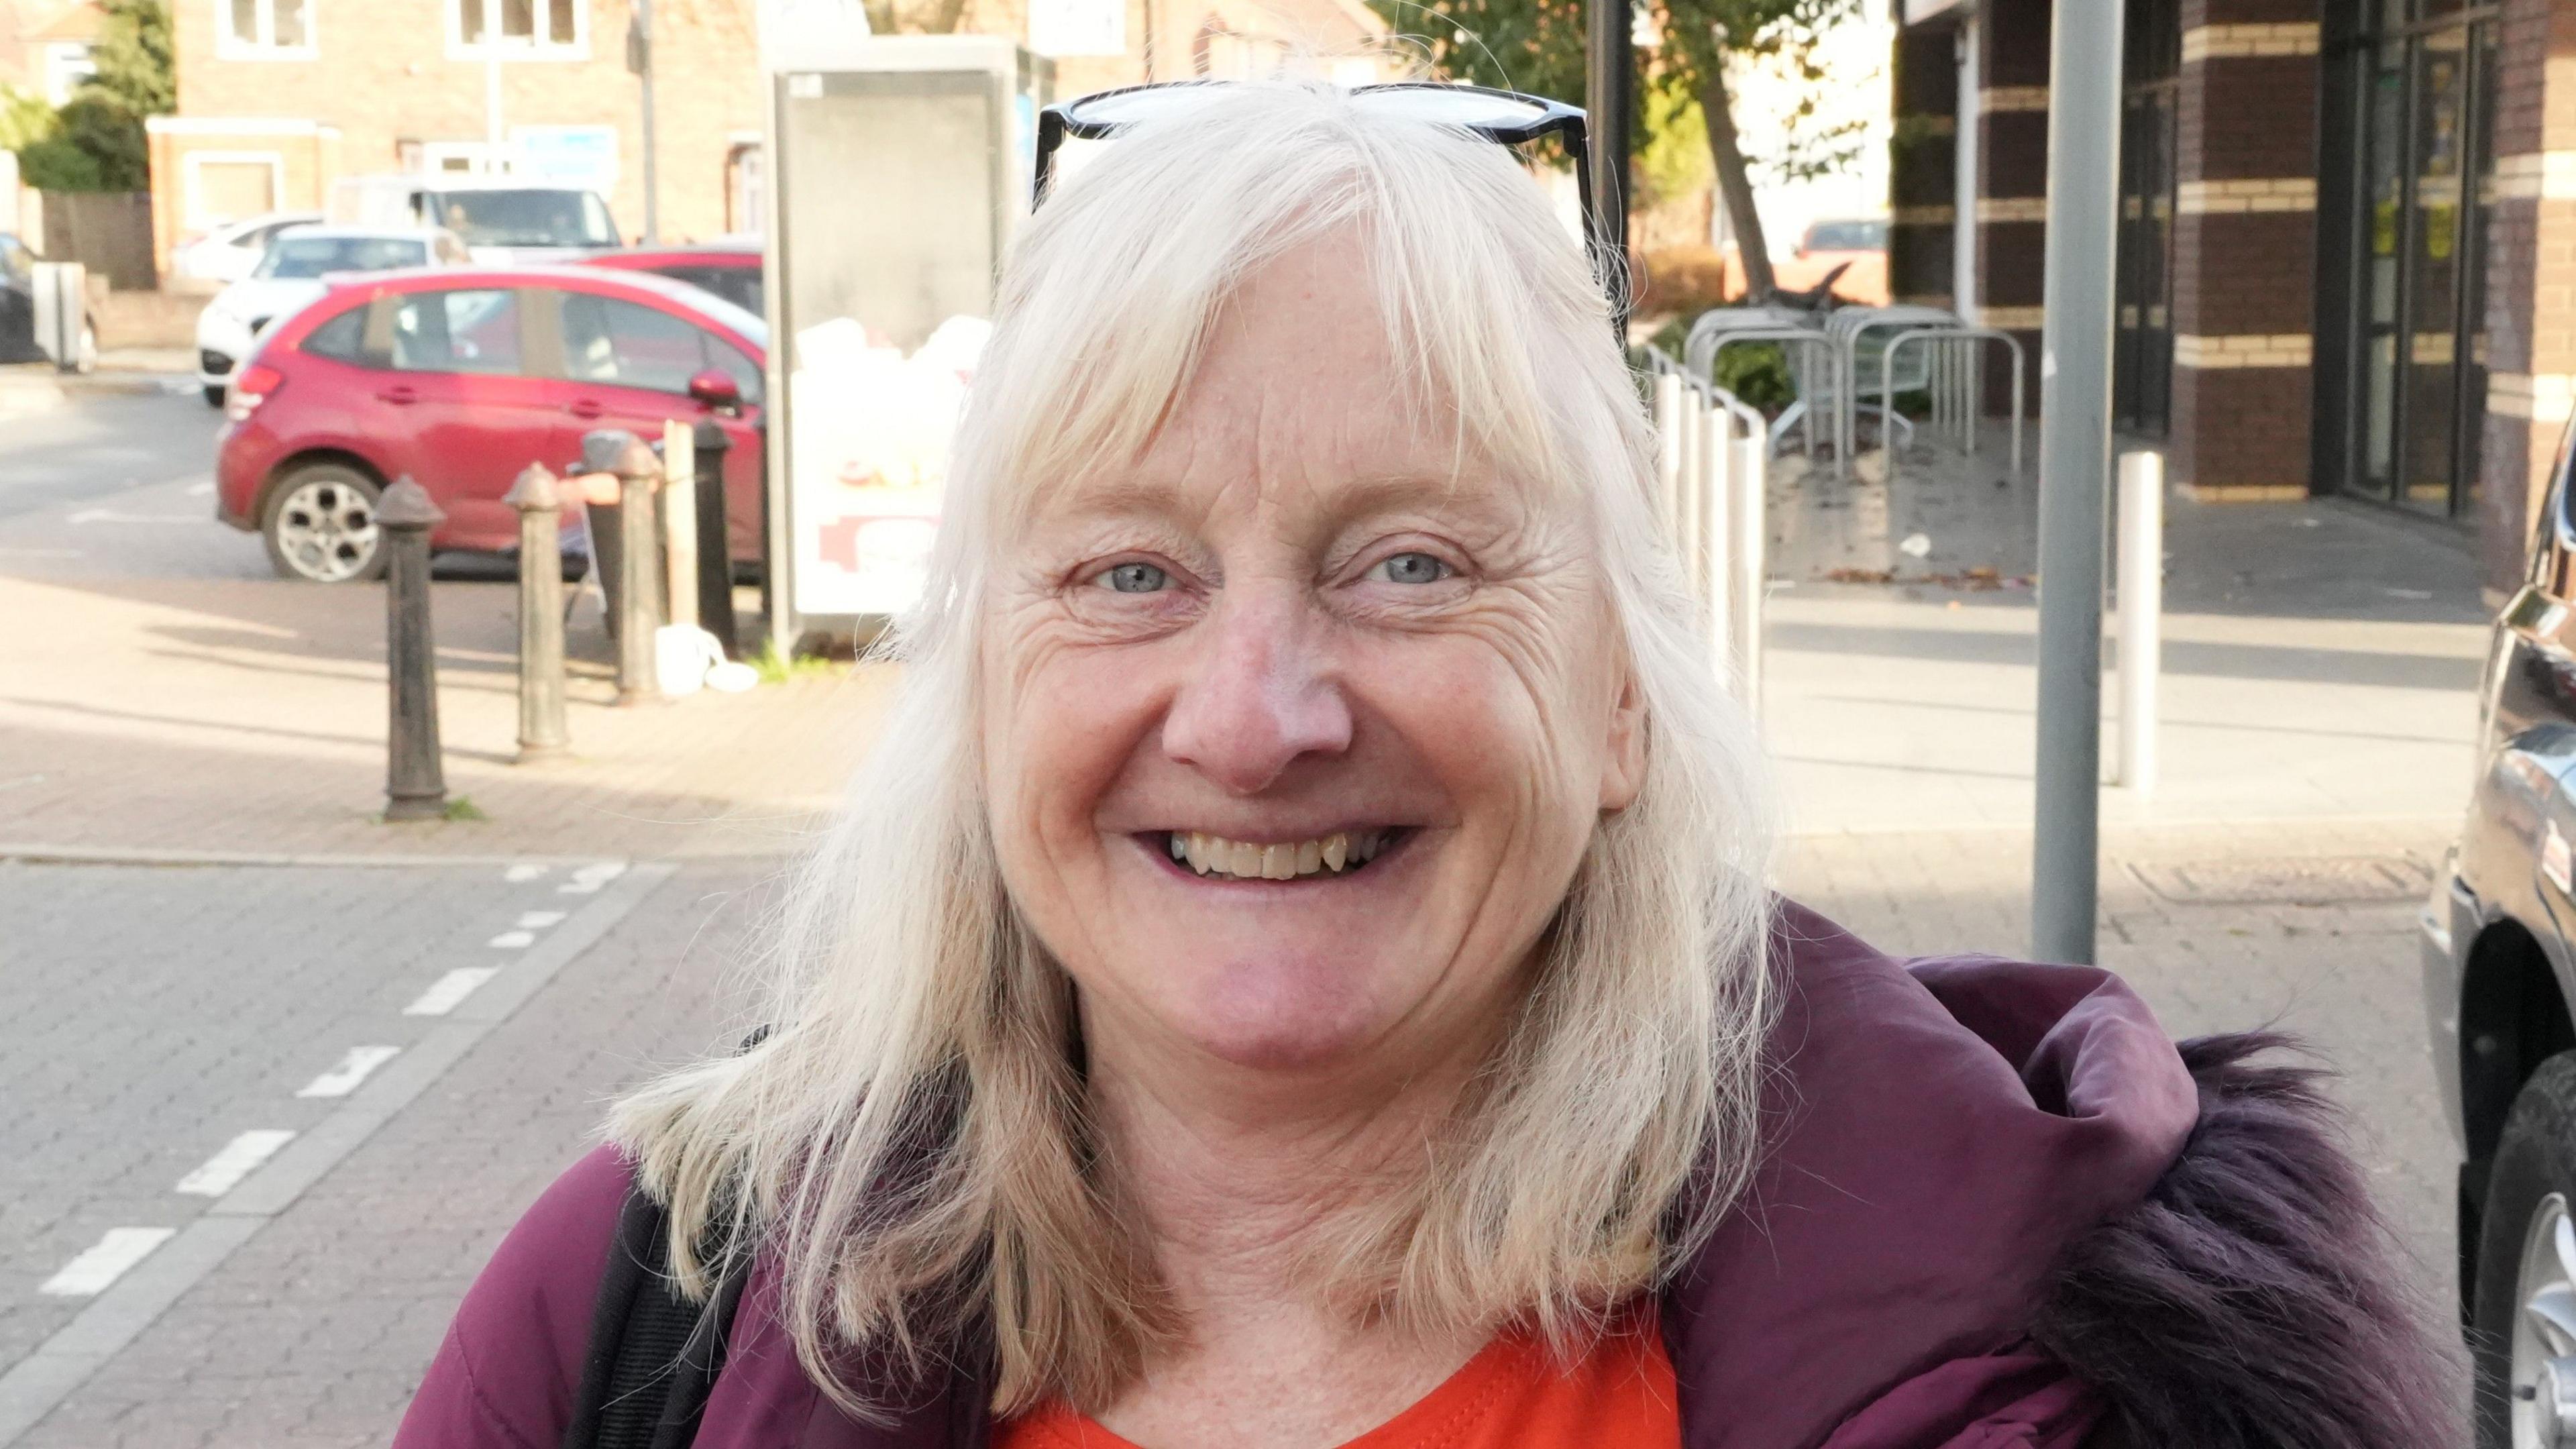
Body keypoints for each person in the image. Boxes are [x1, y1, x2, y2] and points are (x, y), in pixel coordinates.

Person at [393, 83, 2461, 1449]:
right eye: (1128, 573)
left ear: (1623, 694)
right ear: (984, 694)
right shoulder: (641, 1311)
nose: (1255, 716)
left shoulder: (2080, 1367)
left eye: (1412, 565)